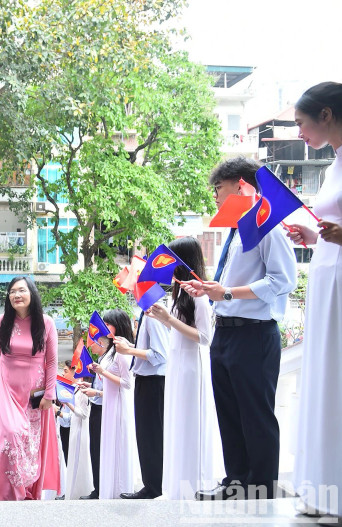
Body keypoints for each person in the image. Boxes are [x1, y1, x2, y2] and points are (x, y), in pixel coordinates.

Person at [182, 157, 297, 500]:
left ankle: (261, 490)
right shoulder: (238, 231)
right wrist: (210, 289)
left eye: (219, 188)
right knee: (230, 412)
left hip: (255, 333)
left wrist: (228, 292)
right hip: (226, 332)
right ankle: (237, 482)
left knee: (255, 416)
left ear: (241, 185)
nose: (215, 196)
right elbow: (231, 283)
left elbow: (283, 280)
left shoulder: (268, 227)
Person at [287, 81, 342, 520]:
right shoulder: (331, 166)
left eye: (303, 123)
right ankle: (323, 490)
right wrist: (310, 234)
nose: (300, 134)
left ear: (326, 115)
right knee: (323, 377)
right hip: (324, 277)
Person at [146, 238, 219, 500]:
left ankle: (193, 484)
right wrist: (163, 319)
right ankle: (177, 485)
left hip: (191, 368)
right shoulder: (179, 293)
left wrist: (169, 319)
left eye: (173, 259)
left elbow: (204, 337)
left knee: (190, 424)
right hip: (177, 365)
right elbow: (178, 332)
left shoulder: (198, 296)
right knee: (177, 422)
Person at [0, 276, 60, 501]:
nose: (16, 295)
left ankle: (29, 491)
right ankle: (9, 491)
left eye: (21, 291)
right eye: (12, 292)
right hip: (7, 387)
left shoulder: (46, 322)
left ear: (32, 294)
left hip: (34, 391)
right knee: (11, 435)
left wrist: (49, 394)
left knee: (31, 441)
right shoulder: (2, 321)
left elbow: (52, 361)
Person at [112, 300, 169, 500]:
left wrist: (129, 351)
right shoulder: (147, 313)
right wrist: (131, 345)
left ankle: (156, 487)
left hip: (154, 382)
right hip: (146, 381)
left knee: (152, 437)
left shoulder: (153, 313)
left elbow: (160, 355)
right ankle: (151, 485)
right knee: (146, 437)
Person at [90, 310, 135, 500]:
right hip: (108, 402)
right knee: (107, 446)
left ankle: (119, 488)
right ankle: (107, 488)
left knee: (118, 444)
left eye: (108, 324)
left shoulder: (122, 351)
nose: (104, 328)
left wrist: (103, 372)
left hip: (117, 404)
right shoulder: (111, 350)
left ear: (118, 325)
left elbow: (126, 382)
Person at [78, 352, 104, 500]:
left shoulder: (117, 354)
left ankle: (101, 487)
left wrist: (97, 393)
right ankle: (98, 487)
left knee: (99, 450)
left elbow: (124, 385)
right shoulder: (104, 356)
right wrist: (91, 386)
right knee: (94, 450)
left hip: (103, 407)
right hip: (96, 405)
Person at [63, 379, 93, 500]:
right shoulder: (76, 389)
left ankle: (80, 490)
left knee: (79, 458)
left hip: (81, 428)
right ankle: (71, 490)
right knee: (73, 458)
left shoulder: (83, 392)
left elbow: (84, 414)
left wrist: (69, 404)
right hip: (75, 427)